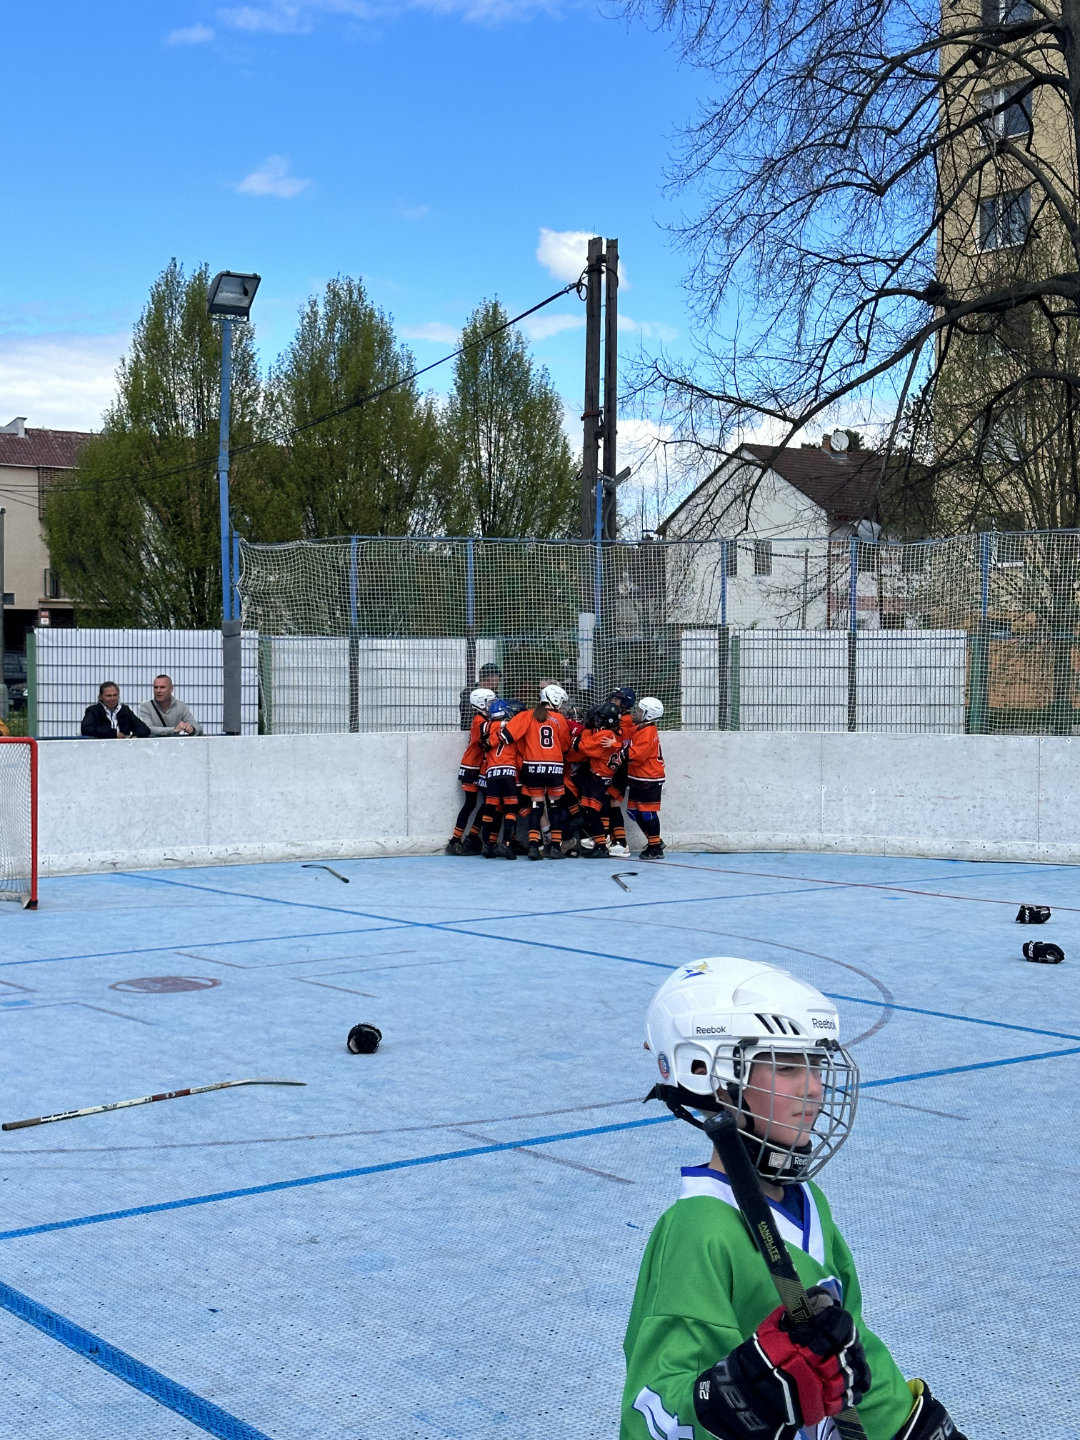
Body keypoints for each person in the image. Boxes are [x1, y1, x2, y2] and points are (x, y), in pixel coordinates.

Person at [623, 957, 970, 1440]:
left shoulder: (809, 1202)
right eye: (786, 1067)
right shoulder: (698, 1231)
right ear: (709, 1075)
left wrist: (904, 1425)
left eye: (816, 1066)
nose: (813, 1090)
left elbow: (850, 1351)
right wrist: (732, 1401)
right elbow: (655, 1408)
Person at [504, 683, 572, 859]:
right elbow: (565, 747)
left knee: (536, 806)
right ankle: (556, 846)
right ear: (555, 700)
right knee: (555, 807)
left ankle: (534, 846)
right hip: (554, 768)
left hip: (532, 768)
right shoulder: (560, 720)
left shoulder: (528, 715)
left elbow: (508, 736)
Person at [575, 700, 627, 858]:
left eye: (600, 718)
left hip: (599, 778)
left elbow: (583, 746)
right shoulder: (615, 734)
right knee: (595, 810)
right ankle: (602, 842)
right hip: (606, 777)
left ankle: (601, 844)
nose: (596, 721)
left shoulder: (605, 735)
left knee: (593, 811)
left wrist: (576, 739)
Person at [446, 687, 495, 854]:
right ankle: (455, 840)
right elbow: (490, 731)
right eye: (490, 702)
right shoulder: (479, 721)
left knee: (486, 802)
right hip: (471, 767)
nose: (493, 705)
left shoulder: (483, 719)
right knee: (471, 803)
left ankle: (472, 837)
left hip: (478, 766)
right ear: (482, 703)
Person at [626, 696, 666, 860]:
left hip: (649, 777)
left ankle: (655, 847)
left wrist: (617, 751)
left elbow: (638, 755)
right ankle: (654, 841)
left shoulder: (648, 732)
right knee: (633, 811)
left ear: (650, 715)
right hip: (638, 776)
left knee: (648, 812)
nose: (637, 712)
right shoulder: (641, 728)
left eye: (641, 711)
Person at [138, 674, 202, 737]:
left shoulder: (180, 706)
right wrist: (173, 730)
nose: (158, 691)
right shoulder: (145, 706)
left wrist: (192, 729)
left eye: (162, 687)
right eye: (156, 687)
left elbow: (198, 728)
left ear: (171, 689)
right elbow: (147, 729)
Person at [80, 682, 150, 739]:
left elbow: (144, 728)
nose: (112, 698)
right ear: (101, 697)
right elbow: (86, 729)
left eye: (115, 695)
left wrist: (134, 737)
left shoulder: (124, 710)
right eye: (109, 696)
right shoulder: (93, 711)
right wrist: (114, 733)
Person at [459, 663, 502, 729]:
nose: (499, 682)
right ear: (489, 678)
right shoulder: (469, 695)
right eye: (498, 677)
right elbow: (468, 720)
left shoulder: (494, 695)